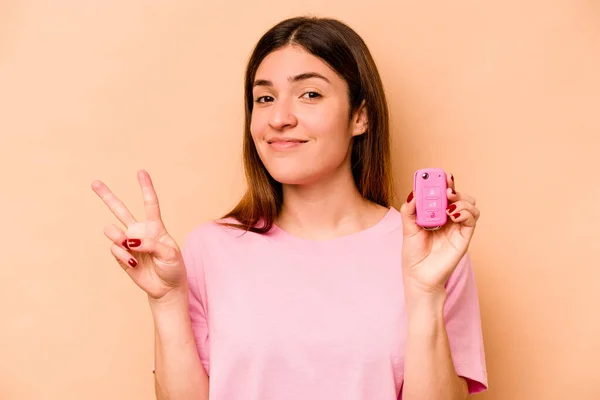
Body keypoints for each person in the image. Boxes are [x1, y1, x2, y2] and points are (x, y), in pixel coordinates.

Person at [91, 15, 488, 400]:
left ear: (361, 116)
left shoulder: (426, 252)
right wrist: (166, 302)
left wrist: (425, 293)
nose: (279, 118)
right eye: (264, 98)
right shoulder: (208, 250)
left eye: (310, 94)